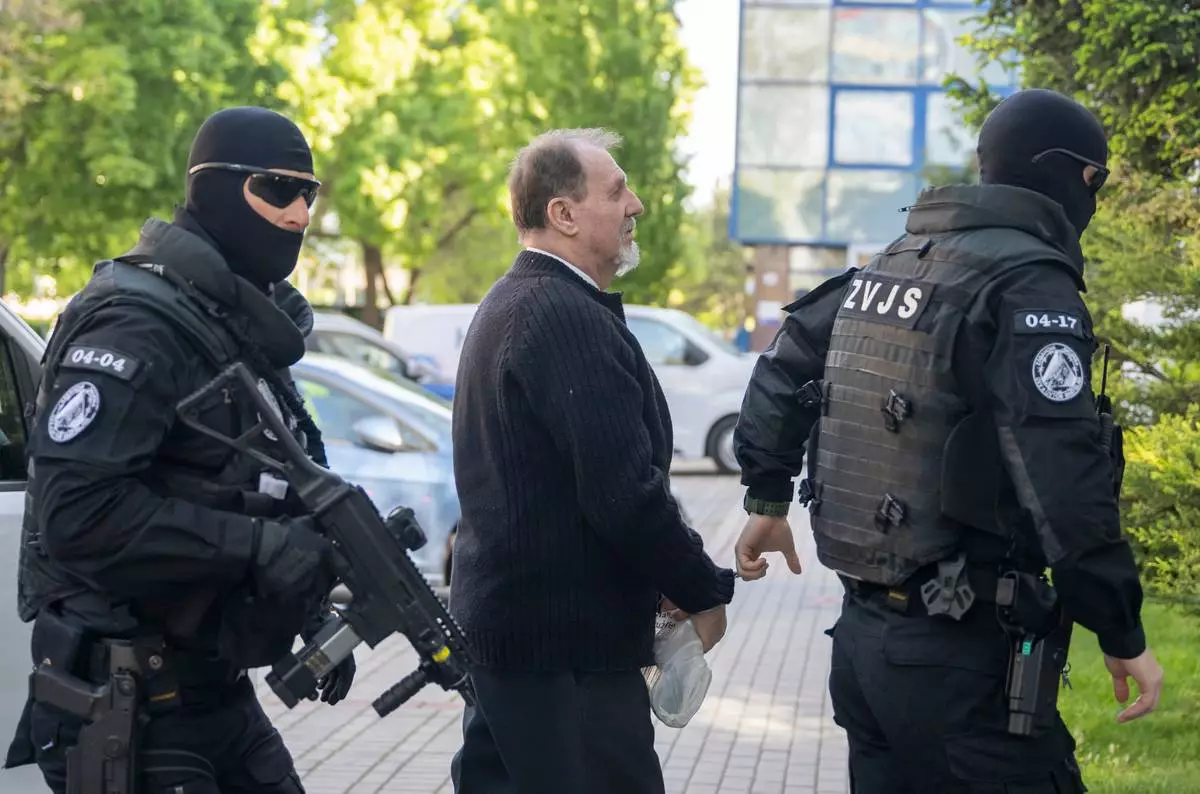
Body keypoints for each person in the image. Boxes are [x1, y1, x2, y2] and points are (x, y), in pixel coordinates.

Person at [732, 89, 1164, 793]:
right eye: (1097, 179)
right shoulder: (1025, 281)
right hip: (964, 662)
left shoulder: (897, 261)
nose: (1096, 195)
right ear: (1065, 172)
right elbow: (1062, 477)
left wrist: (767, 498)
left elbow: (783, 368)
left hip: (865, 647)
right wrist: (1121, 631)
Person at [4, 106, 356, 794]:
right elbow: (79, 514)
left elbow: (235, 484)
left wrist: (313, 609)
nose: (298, 215)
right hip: (128, 708)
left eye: (309, 194)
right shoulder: (138, 324)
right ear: (214, 188)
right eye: (277, 189)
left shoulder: (228, 323)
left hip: (210, 693)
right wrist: (259, 546)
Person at [448, 128, 736, 794]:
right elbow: (623, 494)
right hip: (563, 657)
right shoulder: (561, 315)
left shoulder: (518, 301)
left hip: (520, 646)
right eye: (617, 191)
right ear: (564, 214)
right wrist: (702, 590)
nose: (636, 205)